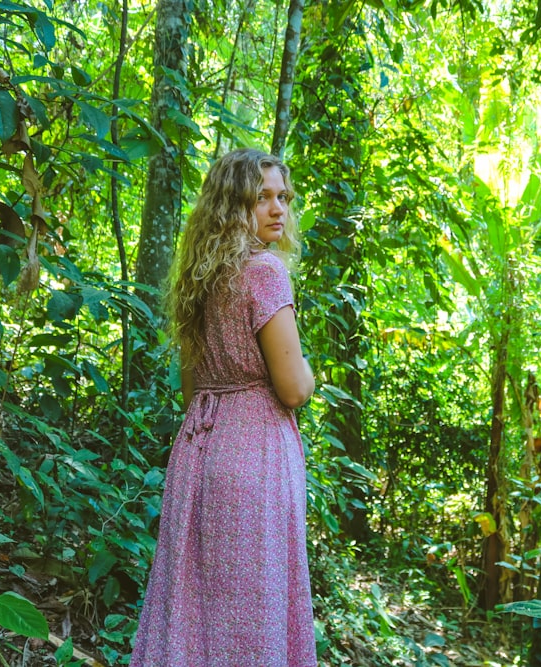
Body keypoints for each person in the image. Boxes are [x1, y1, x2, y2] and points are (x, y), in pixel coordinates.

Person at [130, 148, 317, 666]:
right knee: (253, 606)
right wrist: (311, 371)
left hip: (198, 451)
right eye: (261, 199)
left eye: (283, 197)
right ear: (233, 206)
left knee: (193, 604)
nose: (278, 209)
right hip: (253, 452)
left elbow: (192, 392)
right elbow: (294, 388)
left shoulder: (201, 279)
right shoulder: (264, 273)